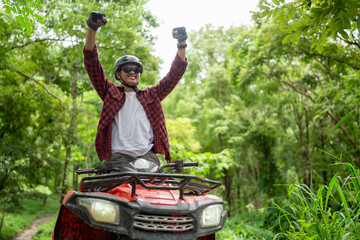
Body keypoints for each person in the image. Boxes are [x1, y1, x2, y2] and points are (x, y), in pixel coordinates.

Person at [83, 12, 188, 173]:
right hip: (118, 157)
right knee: (119, 194)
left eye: (136, 69)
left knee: (157, 193)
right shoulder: (110, 92)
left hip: (148, 157)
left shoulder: (151, 95)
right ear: (118, 74)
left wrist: (181, 43)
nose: (133, 72)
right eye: (127, 69)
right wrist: (92, 28)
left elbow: (175, 74)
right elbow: (91, 62)